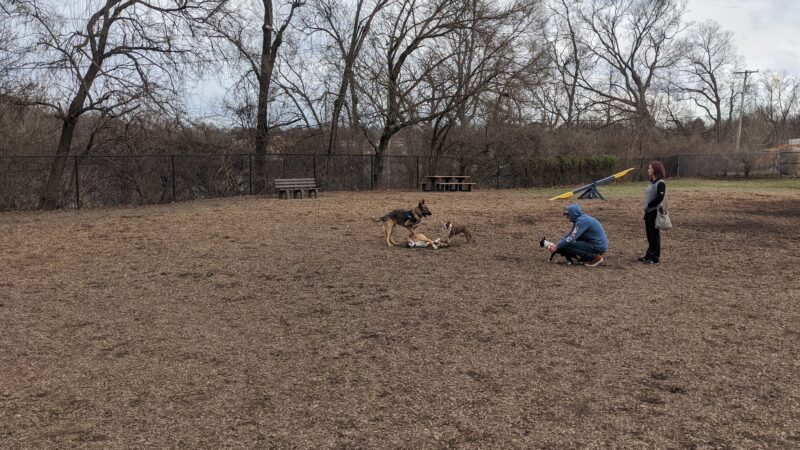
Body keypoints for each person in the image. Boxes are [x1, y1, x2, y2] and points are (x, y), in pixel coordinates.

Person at [641, 161, 666, 264]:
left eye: (650, 168)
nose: (648, 170)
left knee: (654, 235)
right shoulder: (652, 182)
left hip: (654, 213)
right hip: (648, 213)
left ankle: (654, 257)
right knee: (649, 235)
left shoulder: (661, 183)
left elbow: (660, 197)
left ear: (655, 170)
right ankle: (649, 254)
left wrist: (649, 205)